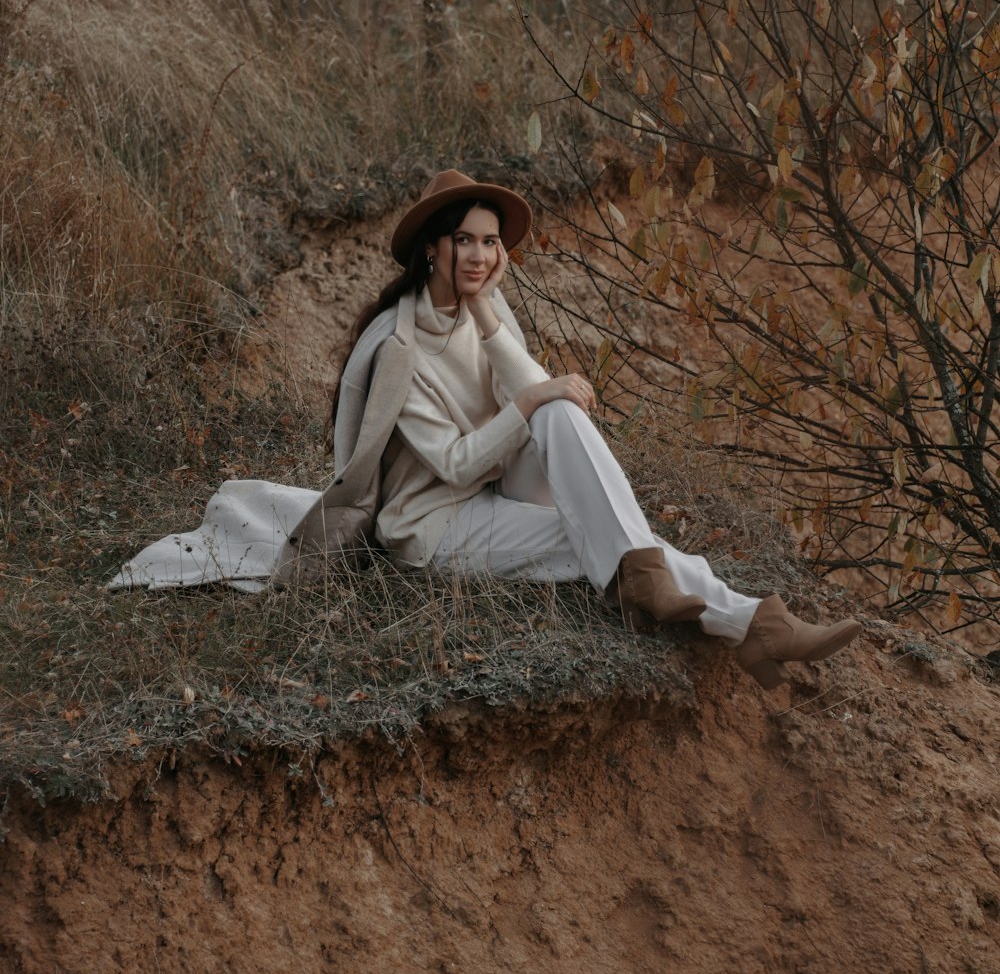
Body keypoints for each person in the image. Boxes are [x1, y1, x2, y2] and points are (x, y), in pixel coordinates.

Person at [110, 168, 861, 690]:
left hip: (496, 489)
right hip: (435, 527)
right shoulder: (396, 348)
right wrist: (529, 404)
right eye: (465, 240)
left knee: (563, 414)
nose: (480, 254)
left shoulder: (474, 314)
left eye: (491, 243)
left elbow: (530, 392)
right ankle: (752, 624)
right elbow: (460, 461)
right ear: (431, 247)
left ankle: (662, 586)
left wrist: (496, 323)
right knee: (591, 523)